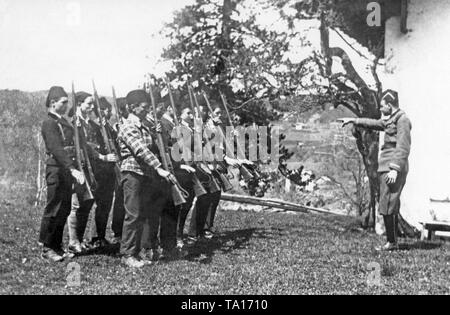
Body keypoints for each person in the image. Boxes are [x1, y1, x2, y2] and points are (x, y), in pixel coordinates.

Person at [340, 89, 412, 251]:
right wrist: (353, 120)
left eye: (382, 106)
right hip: (385, 166)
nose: (380, 109)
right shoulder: (392, 119)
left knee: (388, 203)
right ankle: (392, 241)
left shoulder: (403, 120)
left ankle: (392, 242)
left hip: (393, 167)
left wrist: (394, 169)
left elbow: (403, 146)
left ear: (390, 104)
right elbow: (375, 123)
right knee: (387, 203)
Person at [117, 89, 171, 268]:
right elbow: (140, 149)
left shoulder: (144, 126)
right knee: (133, 214)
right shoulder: (127, 126)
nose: (148, 111)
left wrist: (156, 134)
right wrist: (159, 168)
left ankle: (140, 250)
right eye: (144, 107)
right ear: (133, 107)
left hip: (145, 174)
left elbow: (154, 147)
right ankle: (127, 254)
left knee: (144, 214)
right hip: (132, 174)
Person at [66, 92, 117, 254]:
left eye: (92, 104)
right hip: (80, 167)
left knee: (88, 204)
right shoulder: (74, 123)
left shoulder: (92, 124)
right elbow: (83, 146)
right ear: (79, 104)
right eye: (88, 104)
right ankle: (74, 241)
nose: (92, 107)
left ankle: (83, 240)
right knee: (79, 205)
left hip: (96, 169)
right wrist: (102, 156)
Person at [40, 86, 85, 262]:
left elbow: (76, 142)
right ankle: (47, 248)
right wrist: (72, 168)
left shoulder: (64, 121)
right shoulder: (49, 122)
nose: (67, 105)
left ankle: (57, 246)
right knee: (54, 208)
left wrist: (79, 129)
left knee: (64, 209)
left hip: (66, 170)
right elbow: (56, 148)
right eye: (64, 102)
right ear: (53, 103)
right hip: (57, 169)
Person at [89, 97, 120, 248]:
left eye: (108, 109)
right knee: (99, 204)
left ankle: (100, 236)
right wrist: (104, 157)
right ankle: (95, 237)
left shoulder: (109, 127)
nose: (108, 112)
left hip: (110, 171)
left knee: (106, 204)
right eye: (105, 109)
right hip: (99, 169)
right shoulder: (93, 127)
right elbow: (92, 149)